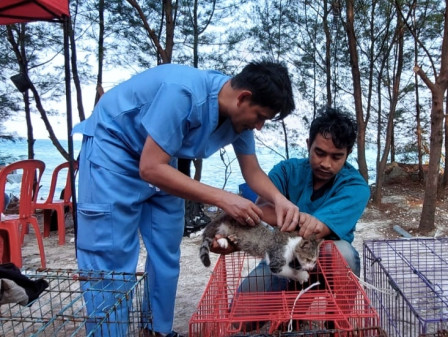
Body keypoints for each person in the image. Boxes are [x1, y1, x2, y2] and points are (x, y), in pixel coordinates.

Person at [73, 60, 300, 337]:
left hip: (164, 162)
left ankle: (157, 330)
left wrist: (279, 198)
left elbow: (251, 171)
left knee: (166, 250)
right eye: (261, 116)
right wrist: (223, 198)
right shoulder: (183, 93)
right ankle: (108, 333)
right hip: (115, 153)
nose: (261, 125)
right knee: (111, 257)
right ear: (243, 98)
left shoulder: (239, 120)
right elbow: (149, 167)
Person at [232, 107, 370, 296]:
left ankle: (337, 321)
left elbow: (314, 230)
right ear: (308, 145)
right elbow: (261, 209)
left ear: (348, 154)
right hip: (284, 253)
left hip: (324, 260)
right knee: (241, 315)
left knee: (344, 254)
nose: (326, 163)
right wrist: (301, 219)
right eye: (319, 153)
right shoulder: (286, 170)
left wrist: (283, 215)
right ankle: (293, 305)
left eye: (336, 156)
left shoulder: (356, 186)